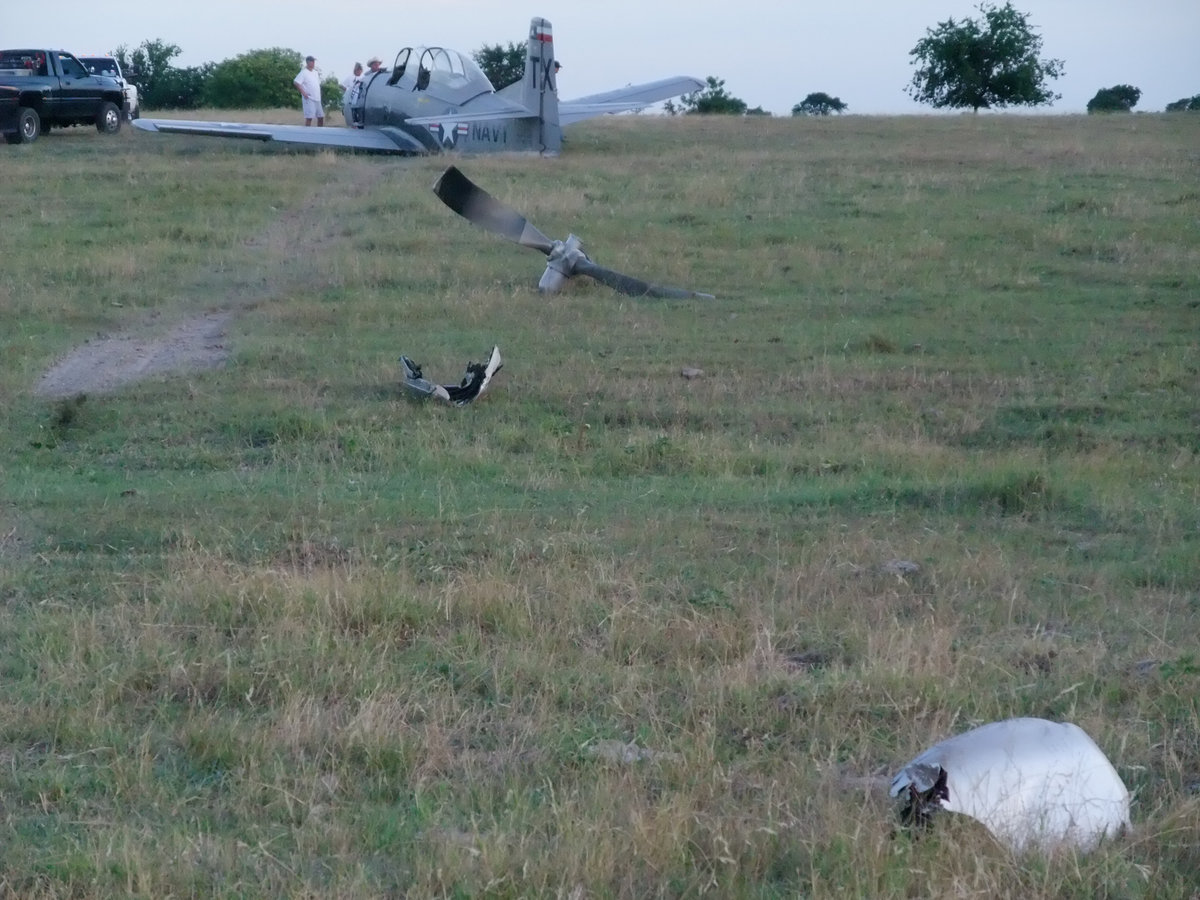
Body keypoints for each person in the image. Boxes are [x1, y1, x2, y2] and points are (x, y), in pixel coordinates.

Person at [294, 55, 324, 126]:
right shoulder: (303, 72)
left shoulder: (315, 72)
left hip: (317, 98)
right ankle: (307, 133)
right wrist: (304, 93)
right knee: (309, 117)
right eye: (312, 61)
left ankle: (320, 133)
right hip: (309, 98)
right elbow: (296, 82)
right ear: (308, 62)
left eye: (314, 61)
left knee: (321, 117)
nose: (313, 63)